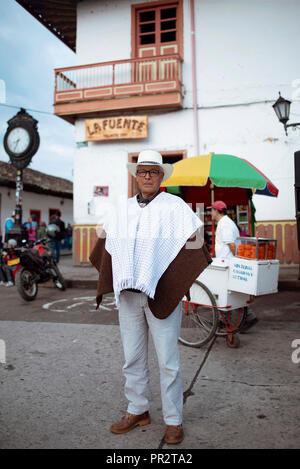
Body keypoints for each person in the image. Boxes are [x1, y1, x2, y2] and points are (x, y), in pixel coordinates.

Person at [90, 150, 212, 445]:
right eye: (142, 171)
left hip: (162, 293)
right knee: (132, 358)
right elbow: (106, 244)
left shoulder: (176, 207)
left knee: (168, 361)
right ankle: (138, 409)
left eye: (153, 171)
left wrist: (174, 276)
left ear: (161, 176)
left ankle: (173, 420)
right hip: (129, 296)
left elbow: (195, 243)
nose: (147, 176)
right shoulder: (122, 208)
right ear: (136, 175)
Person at [209, 200, 258, 331]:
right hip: (227, 262)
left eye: (212, 210)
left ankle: (229, 319)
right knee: (230, 293)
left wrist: (236, 260)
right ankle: (225, 319)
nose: (210, 213)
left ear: (216, 211)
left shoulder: (224, 224)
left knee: (224, 292)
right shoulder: (226, 222)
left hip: (227, 263)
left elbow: (231, 245)